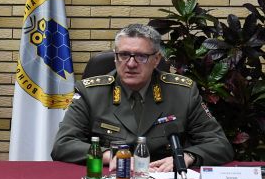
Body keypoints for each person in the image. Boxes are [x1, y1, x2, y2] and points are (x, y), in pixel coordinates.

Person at [51, 23, 233, 171]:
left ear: (156, 60)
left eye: (141, 56)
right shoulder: (90, 92)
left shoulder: (182, 92)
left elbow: (219, 144)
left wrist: (187, 156)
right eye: (123, 55)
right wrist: (109, 155)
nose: (131, 64)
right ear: (115, 58)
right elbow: (63, 145)